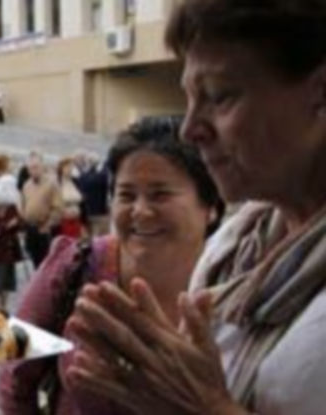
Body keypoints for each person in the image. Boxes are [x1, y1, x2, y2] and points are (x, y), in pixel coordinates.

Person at [63, 2, 326, 414]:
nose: (190, 130)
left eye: (220, 96)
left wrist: (207, 407)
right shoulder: (236, 241)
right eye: (188, 98)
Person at [0, 116, 224, 415]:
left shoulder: (239, 284)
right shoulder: (75, 266)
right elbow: (13, 379)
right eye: (126, 195)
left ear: (211, 208)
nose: (140, 211)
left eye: (160, 194)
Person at [21, 153, 64, 268]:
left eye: (36, 167)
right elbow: (24, 204)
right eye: (30, 168)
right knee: (35, 262)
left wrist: (48, 224)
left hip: (44, 229)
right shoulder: (26, 185)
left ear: (42, 167)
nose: (33, 171)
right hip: (31, 229)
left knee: (46, 264)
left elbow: (58, 208)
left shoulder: (52, 184)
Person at [56, 157, 84, 238]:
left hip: (77, 221)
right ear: (62, 168)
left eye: (71, 167)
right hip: (64, 223)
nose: (70, 169)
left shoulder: (75, 181)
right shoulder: (58, 183)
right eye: (67, 167)